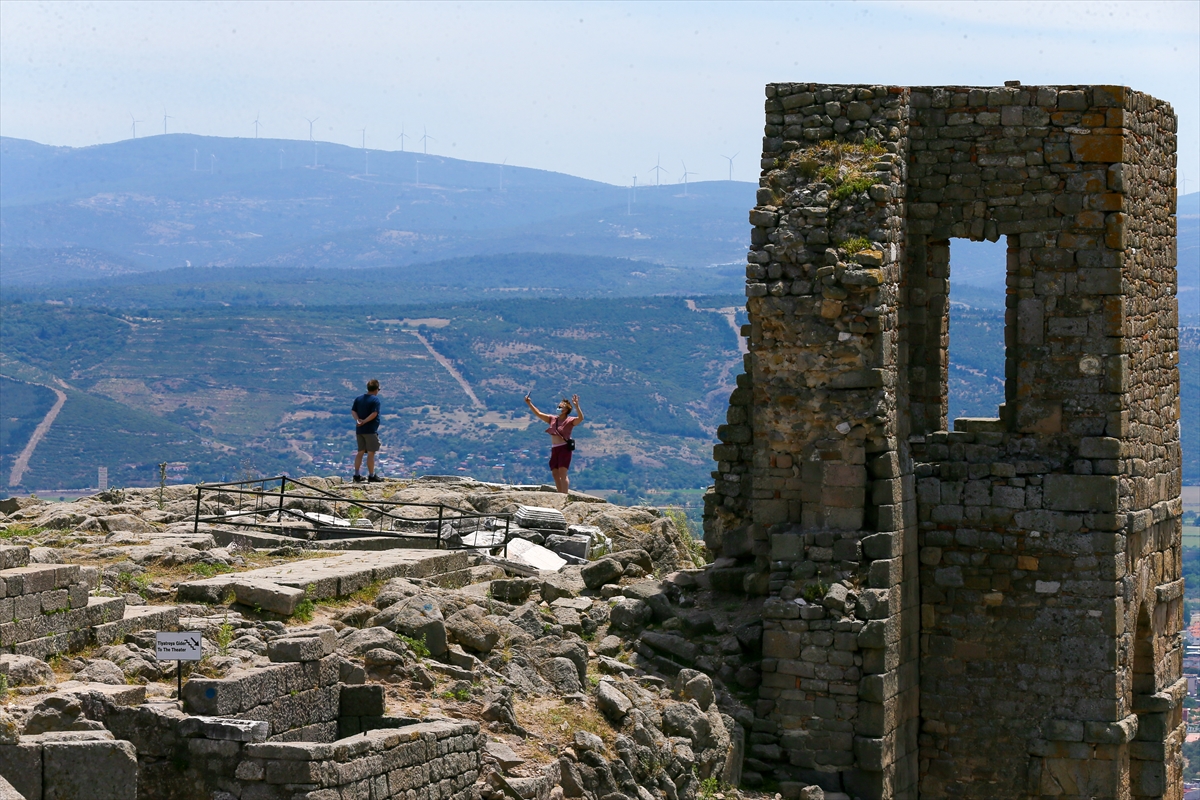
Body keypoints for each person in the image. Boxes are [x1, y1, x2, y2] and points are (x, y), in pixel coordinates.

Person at [524, 393, 584, 494]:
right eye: (558, 407)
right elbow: (539, 414)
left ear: (566, 410)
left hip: (564, 448)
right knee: (555, 472)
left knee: (562, 472)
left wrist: (577, 406)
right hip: (554, 448)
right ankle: (560, 492)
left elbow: (580, 418)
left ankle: (564, 494)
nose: (558, 408)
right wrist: (529, 403)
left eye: (560, 407)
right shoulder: (553, 419)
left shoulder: (569, 421)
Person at [351, 379, 382, 483]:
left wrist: (358, 420)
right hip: (370, 430)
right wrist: (364, 421)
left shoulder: (359, 399)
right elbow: (374, 413)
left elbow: (353, 411)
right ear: (377, 389)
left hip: (359, 430)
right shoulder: (375, 400)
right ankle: (371, 475)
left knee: (360, 452)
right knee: (371, 452)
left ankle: (356, 475)